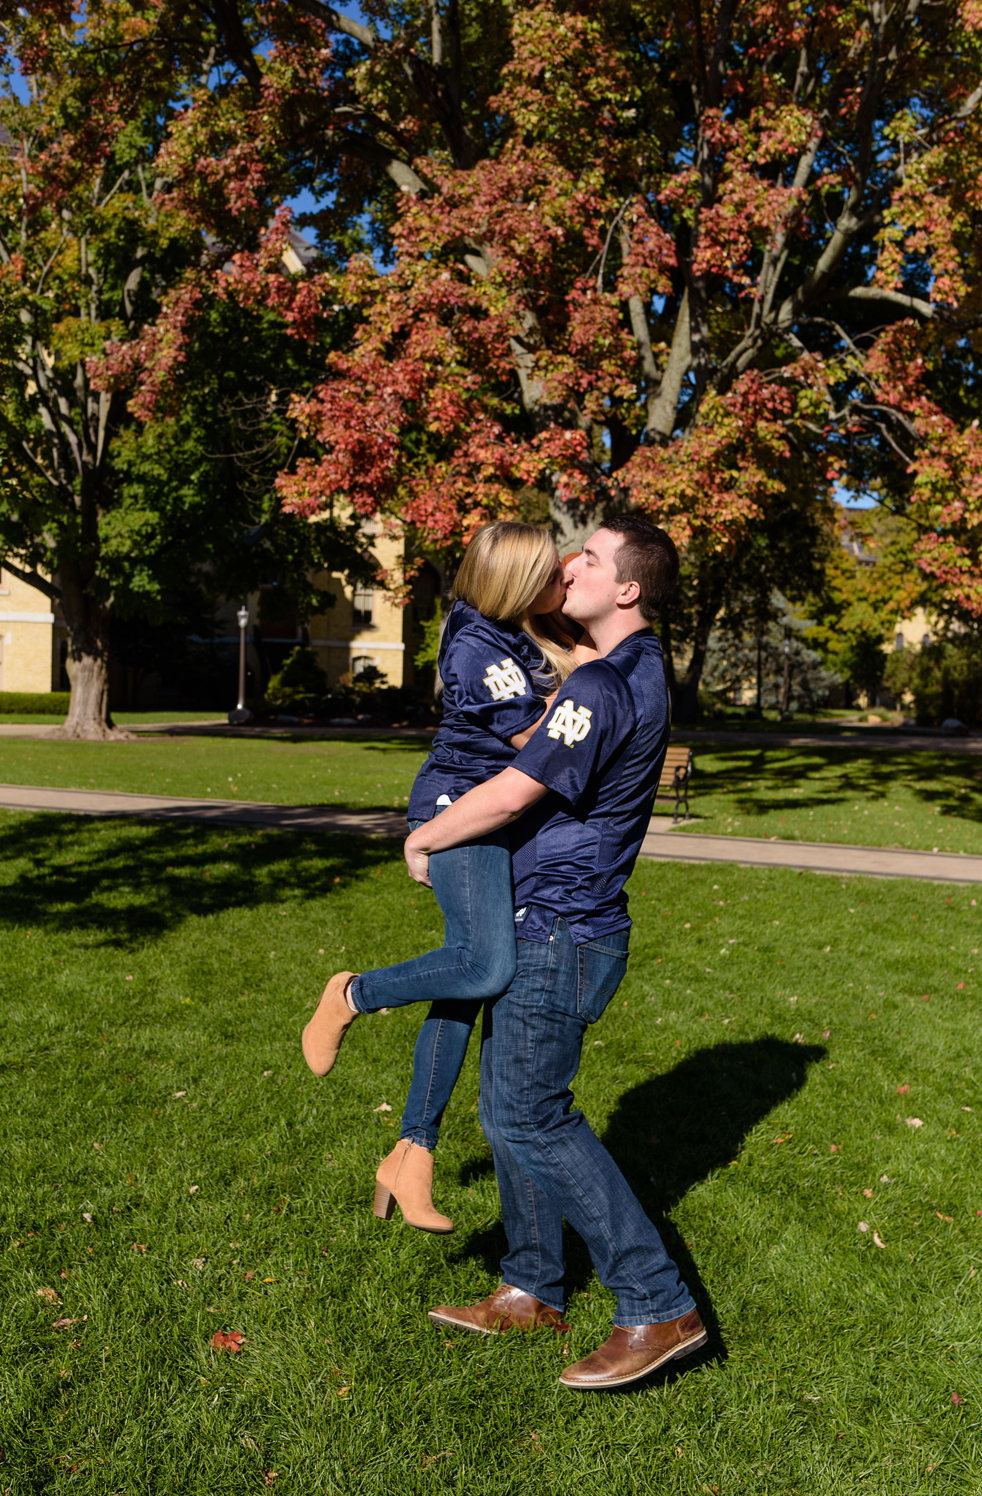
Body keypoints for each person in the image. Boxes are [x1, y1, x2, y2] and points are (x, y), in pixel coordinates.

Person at [398, 515, 704, 1390]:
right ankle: (532, 1284)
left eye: (592, 559)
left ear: (628, 588)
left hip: (562, 927)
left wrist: (425, 840)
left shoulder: (604, 685)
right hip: (552, 921)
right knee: (505, 1110)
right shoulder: (626, 671)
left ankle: (656, 1303)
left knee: (534, 1113)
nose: (572, 566)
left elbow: (514, 789)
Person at [301, 521, 587, 1234]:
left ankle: (410, 1156)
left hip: (495, 815)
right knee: (486, 964)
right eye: (554, 574)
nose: (565, 583)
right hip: (460, 809)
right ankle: (352, 994)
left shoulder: (510, 631)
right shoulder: (478, 647)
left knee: (464, 986)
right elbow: (535, 741)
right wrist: (592, 679)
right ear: (519, 583)